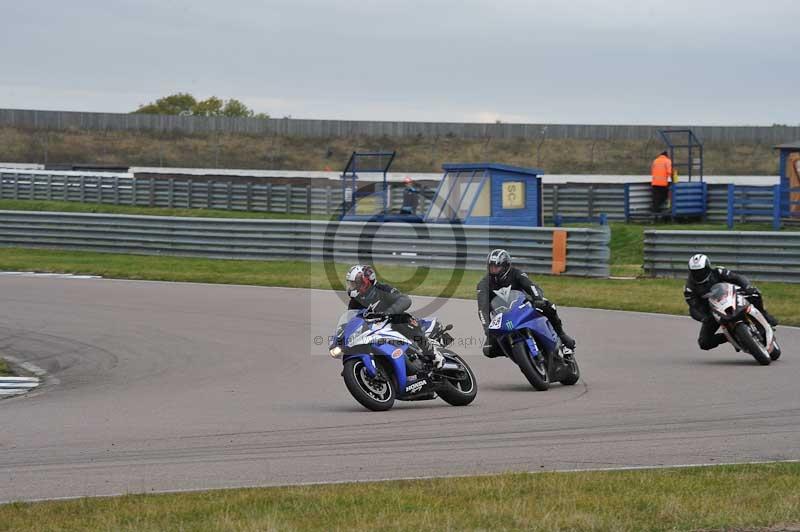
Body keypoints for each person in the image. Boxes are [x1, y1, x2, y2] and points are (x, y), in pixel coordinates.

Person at [477, 249, 576, 358]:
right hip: (504, 318)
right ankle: (516, 353)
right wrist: (487, 329)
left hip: (523, 307)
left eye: (497, 267)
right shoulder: (483, 284)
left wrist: (538, 298)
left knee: (549, 306)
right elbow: (482, 308)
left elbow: (530, 286)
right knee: (488, 350)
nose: (494, 270)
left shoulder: (516, 273)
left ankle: (561, 335)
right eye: (491, 267)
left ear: (506, 266)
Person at [345, 264, 444, 368]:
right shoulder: (355, 302)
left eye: (356, 283)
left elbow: (404, 300)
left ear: (367, 281)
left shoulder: (382, 289)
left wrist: (388, 312)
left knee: (402, 322)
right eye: (352, 284)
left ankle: (434, 355)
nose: (353, 287)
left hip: (394, 321)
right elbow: (352, 320)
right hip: (376, 330)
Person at [684, 253, 778, 351]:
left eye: (701, 271)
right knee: (704, 343)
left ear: (708, 267)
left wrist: (747, 286)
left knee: (755, 293)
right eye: (695, 272)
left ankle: (764, 314)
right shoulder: (689, 288)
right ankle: (728, 337)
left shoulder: (718, 271)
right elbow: (693, 308)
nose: (698, 274)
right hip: (713, 312)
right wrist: (703, 318)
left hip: (731, 297)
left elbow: (737, 278)